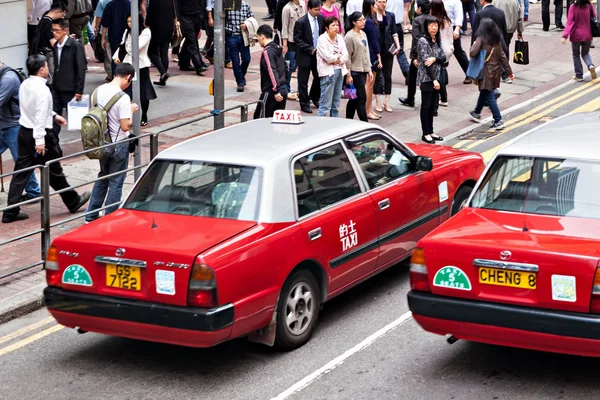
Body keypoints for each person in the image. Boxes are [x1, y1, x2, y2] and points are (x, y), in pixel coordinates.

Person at [2, 55, 90, 224]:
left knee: (21, 172)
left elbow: (33, 109)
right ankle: (72, 201)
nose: (48, 68)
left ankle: (10, 211)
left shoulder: (25, 83)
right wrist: (40, 141)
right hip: (39, 135)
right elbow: (40, 116)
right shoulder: (42, 90)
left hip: (24, 132)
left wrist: (54, 115)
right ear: (41, 69)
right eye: (46, 66)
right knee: (54, 170)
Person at [85, 62, 139, 223]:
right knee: (116, 181)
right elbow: (125, 126)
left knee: (103, 176)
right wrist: (131, 110)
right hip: (118, 144)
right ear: (128, 77)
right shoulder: (123, 97)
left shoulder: (97, 91)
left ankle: (91, 215)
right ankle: (109, 218)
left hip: (101, 143)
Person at [0, 61, 41, 202]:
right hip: (3, 124)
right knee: (22, 161)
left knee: (22, 161)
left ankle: (34, 192)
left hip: (13, 126)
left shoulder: (8, 79)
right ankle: (33, 191)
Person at [468, 18, 513, 130]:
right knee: (485, 92)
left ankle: (498, 120)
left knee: (490, 96)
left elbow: (473, 53)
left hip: (486, 72)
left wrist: (473, 45)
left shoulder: (481, 39)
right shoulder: (496, 40)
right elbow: (503, 57)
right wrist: (509, 72)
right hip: (496, 71)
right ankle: (477, 112)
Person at [114, 14, 156, 125]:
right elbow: (122, 45)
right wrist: (116, 56)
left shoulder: (146, 32)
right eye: (128, 22)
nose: (129, 24)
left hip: (141, 64)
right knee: (126, 92)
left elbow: (136, 48)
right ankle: (127, 115)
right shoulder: (126, 32)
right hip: (128, 64)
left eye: (131, 22)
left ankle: (144, 115)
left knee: (143, 92)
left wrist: (133, 35)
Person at [51, 18, 87, 144]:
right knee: (54, 116)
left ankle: (88, 141)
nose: (54, 33)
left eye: (57, 30)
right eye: (53, 30)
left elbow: (81, 68)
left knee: (77, 119)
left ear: (65, 30)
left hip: (70, 88)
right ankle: (53, 143)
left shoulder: (75, 45)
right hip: (57, 87)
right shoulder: (56, 46)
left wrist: (79, 89)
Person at [417, 16, 445, 143]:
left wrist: (435, 59)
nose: (434, 28)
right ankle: (425, 133)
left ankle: (431, 131)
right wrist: (434, 80)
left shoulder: (436, 40)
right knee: (426, 106)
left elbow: (443, 57)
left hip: (437, 77)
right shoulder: (423, 41)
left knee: (433, 105)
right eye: (431, 25)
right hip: (427, 78)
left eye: (436, 25)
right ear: (426, 27)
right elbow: (425, 62)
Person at [294, 0, 325, 113]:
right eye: (316, 10)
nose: (318, 12)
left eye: (319, 9)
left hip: (318, 55)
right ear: (309, 9)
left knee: (318, 77)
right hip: (305, 55)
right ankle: (304, 103)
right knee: (303, 81)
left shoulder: (321, 19)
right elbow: (297, 39)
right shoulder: (301, 22)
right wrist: (310, 49)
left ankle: (314, 97)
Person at [399, 0, 430, 108]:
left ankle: (410, 99)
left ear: (420, 8)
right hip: (430, 53)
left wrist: (416, 56)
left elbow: (416, 38)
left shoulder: (417, 20)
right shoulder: (432, 19)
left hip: (419, 54)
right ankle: (432, 103)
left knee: (413, 77)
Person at [29, 2, 67, 86]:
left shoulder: (44, 18)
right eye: (62, 14)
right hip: (48, 53)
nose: (62, 17)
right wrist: (66, 41)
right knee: (51, 76)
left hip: (42, 51)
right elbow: (53, 42)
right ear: (57, 12)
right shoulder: (48, 23)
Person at [316, 16, 348, 117]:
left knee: (336, 103)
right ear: (326, 27)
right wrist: (337, 57)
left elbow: (346, 54)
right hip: (328, 73)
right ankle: (321, 122)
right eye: (333, 25)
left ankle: (335, 123)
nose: (336, 27)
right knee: (325, 103)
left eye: (337, 25)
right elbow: (327, 57)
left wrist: (339, 59)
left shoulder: (339, 38)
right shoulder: (322, 39)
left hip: (340, 71)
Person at [345, 12, 373, 122]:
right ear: (354, 22)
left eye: (363, 19)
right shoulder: (349, 36)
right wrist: (348, 75)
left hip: (363, 70)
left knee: (354, 99)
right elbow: (347, 57)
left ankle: (348, 120)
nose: (363, 21)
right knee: (361, 98)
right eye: (360, 20)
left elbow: (367, 53)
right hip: (354, 72)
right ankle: (365, 123)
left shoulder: (363, 34)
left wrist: (369, 69)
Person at [254, 25, 287, 118]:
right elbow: (285, 68)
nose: (258, 39)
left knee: (259, 118)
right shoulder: (278, 48)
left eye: (258, 37)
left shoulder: (267, 52)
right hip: (283, 89)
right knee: (276, 120)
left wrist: (276, 90)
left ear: (262, 36)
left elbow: (271, 71)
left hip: (271, 91)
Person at [373, 0, 400, 113]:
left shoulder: (390, 15)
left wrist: (398, 46)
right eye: (379, 1)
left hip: (388, 50)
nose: (382, 3)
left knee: (388, 75)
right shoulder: (372, 15)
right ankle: (377, 100)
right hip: (376, 50)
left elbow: (394, 32)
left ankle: (387, 101)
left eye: (384, 1)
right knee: (377, 76)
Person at [561, 0, 596, 82]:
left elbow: (569, 22)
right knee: (585, 53)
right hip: (587, 34)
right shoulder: (589, 5)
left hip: (576, 35)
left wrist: (565, 36)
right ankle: (590, 65)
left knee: (576, 54)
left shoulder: (573, 7)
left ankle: (579, 75)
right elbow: (593, 17)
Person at [225, 0, 255, 92]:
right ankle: (240, 82)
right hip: (231, 35)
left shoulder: (245, 5)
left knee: (246, 59)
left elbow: (252, 19)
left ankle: (241, 75)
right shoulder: (227, 5)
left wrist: (246, 24)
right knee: (235, 60)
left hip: (243, 36)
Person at [281, 0, 306, 101]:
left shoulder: (303, 5)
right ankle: (287, 89)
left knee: (302, 67)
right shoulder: (287, 8)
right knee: (290, 67)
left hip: (302, 40)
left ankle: (301, 91)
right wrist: (285, 44)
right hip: (291, 41)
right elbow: (285, 27)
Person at [494, 0, 524, 82]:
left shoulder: (496, 1)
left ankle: (503, 72)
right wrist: (520, 31)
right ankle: (504, 71)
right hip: (510, 29)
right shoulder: (515, 2)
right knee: (505, 47)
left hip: (498, 28)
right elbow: (520, 17)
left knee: (500, 49)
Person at [176, 0, 209, 75]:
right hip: (185, 16)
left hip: (197, 15)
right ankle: (198, 65)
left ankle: (184, 62)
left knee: (190, 40)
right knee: (192, 41)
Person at [441, 0, 470, 84]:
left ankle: (469, 73)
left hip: (452, 28)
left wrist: (457, 29)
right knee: (439, 51)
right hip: (438, 27)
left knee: (457, 51)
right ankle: (441, 75)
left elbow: (459, 16)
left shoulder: (456, 2)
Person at [146, 0, 174, 86]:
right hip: (169, 27)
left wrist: (147, 25)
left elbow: (150, 13)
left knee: (151, 51)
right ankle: (163, 78)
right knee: (164, 52)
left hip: (156, 28)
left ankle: (163, 72)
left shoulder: (154, 1)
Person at [431, 0, 453, 109]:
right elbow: (451, 36)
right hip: (448, 49)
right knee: (442, 70)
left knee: (439, 73)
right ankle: (442, 97)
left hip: (440, 50)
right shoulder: (447, 21)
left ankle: (443, 98)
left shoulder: (435, 22)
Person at [362, 0, 382, 119]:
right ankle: (367, 110)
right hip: (371, 54)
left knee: (371, 83)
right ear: (370, 6)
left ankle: (369, 109)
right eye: (375, 4)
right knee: (369, 84)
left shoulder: (371, 19)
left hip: (372, 53)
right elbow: (374, 40)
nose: (377, 6)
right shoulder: (369, 21)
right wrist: (379, 55)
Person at [101, 0, 131, 78]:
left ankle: (116, 78)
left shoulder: (110, 5)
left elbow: (105, 24)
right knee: (128, 58)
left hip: (114, 36)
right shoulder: (130, 4)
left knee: (115, 58)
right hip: (128, 36)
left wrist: (103, 38)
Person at [386, 0, 410, 79]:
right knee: (400, 51)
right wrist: (405, 24)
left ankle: (383, 76)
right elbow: (406, 10)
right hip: (398, 24)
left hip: (385, 23)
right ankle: (407, 72)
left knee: (385, 50)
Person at [93, 0, 113, 81]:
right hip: (121, 31)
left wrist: (97, 29)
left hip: (106, 31)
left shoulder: (103, 1)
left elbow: (99, 17)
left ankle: (110, 73)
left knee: (108, 52)